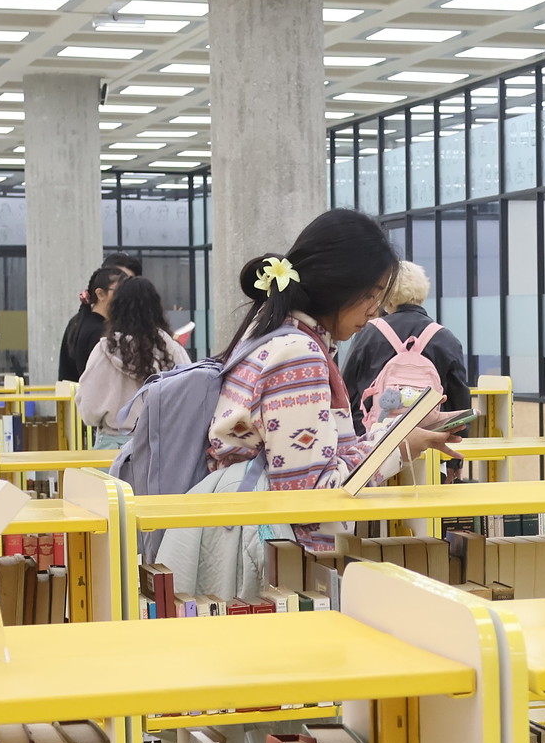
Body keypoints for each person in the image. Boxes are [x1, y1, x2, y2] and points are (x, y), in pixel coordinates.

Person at [205, 212, 462, 532]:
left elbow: (322, 457)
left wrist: (400, 434)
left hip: (258, 542)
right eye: (370, 293)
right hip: (282, 564)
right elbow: (310, 497)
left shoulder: (275, 335)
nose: (374, 310)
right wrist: (398, 446)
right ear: (336, 283)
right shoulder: (298, 357)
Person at [342, 260, 471, 436]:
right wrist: (454, 460)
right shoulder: (446, 338)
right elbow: (459, 401)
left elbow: (347, 391)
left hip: (375, 443)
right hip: (430, 445)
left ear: (386, 295)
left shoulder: (369, 333)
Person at [76, 275, 190, 450]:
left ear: (116, 309)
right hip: (163, 448)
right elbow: (189, 400)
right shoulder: (172, 350)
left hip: (111, 449)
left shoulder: (104, 350)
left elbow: (88, 410)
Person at [57, 265, 126, 384]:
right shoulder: (99, 331)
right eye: (120, 291)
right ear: (100, 294)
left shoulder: (79, 322)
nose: (125, 297)